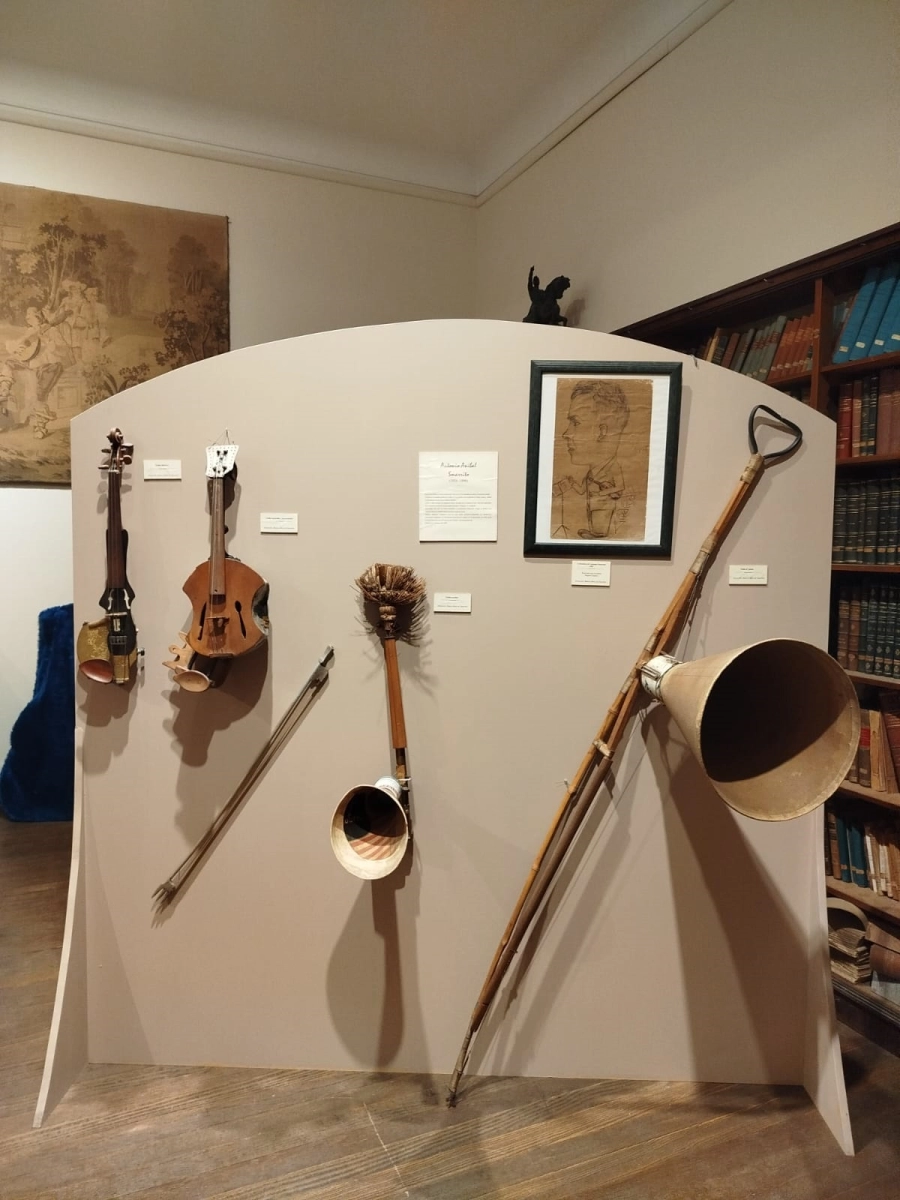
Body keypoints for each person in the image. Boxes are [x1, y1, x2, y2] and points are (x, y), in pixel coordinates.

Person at [555, 379, 630, 538]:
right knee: (593, 518)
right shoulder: (591, 474)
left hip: (603, 505)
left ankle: (599, 534)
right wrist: (572, 484)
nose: (566, 434)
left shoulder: (613, 468)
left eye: (575, 423)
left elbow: (619, 488)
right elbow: (582, 490)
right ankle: (594, 533)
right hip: (593, 505)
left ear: (602, 432)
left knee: (601, 521)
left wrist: (604, 493)